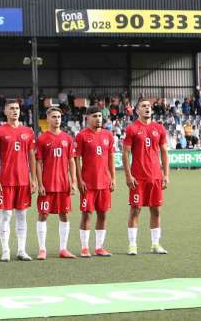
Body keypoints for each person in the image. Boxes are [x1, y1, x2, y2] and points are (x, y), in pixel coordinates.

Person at [0, 100, 37, 262]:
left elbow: (31, 157)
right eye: (11, 108)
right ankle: (5, 250)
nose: (15, 111)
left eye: (17, 108)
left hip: (23, 181)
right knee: (6, 215)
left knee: (22, 215)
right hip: (6, 181)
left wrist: (33, 179)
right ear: (5, 111)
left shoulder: (28, 131)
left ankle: (21, 250)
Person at [122, 100, 169, 255]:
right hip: (138, 177)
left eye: (149, 106)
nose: (147, 107)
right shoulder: (132, 128)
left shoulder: (159, 128)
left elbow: (164, 152)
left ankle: (155, 244)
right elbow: (125, 154)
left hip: (155, 176)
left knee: (156, 211)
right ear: (137, 111)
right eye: (143, 106)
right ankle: (132, 244)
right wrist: (128, 175)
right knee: (135, 210)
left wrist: (166, 174)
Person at [35, 107, 77, 260]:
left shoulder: (67, 138)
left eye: (59, 116)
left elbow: (72, 161)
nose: (57, 119)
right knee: (43, 215)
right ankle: (42, 249)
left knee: (64, 215)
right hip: (47, 184)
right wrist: (40, 184)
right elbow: (38, 163)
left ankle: (63, 249)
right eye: (54, 116)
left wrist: (73, 182)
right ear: (48, 119)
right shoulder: (42, 139)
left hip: (63, 184)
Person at [74, 106, 116, 258]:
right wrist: (79, 180)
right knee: (87, 214)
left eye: (100, 115)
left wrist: (113, 178)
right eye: (94, 116)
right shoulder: (81, 136)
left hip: (104, 182)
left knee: (103, 214)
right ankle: (85, 247)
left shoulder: (108, 135)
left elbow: (111, 157)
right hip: (88, 183)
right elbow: (76, 159)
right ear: (87, 118)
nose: (98, 118)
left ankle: (99, 247)